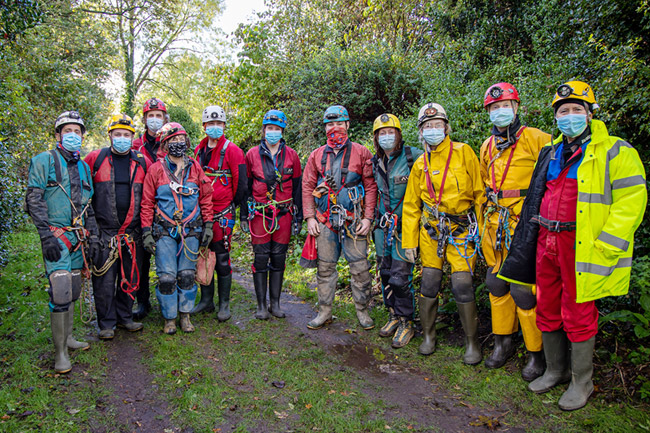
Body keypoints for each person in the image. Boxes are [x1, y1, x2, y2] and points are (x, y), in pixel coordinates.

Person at [499, 81, 647, 410]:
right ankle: (555, 370)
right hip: (545, 241)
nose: (569, 116)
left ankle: (583, 381)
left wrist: (608, 244)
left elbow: (632, 201)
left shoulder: (615, 151)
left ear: (590, 113)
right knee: (547, 305)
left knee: (578, 311)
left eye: (576, 110)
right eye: (563, 111)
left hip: (581, 245)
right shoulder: (551, 152)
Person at [401, 103, 484, 364]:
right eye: (427, 127)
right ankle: (428, 335)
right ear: (421, 132)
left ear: (446, 127)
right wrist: (409, 240)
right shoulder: (420, 164)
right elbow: (411, 205)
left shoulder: (464, 153)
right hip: (431, 232)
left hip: (461, 231)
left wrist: (484, 233)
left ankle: (472, 343)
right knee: (429, 282)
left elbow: (480, 194)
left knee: (462, 285)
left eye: (437, 125)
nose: (433, 130)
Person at [479, 83, 551, 380]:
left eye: (505, 105)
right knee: (495, 282)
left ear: (517, 107)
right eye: (494, 108)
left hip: (525, 223)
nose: (500, 111)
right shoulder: (487, 146)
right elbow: (485, 185)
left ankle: (537, 354)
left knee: (523, 289)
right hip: (496, 223)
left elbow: (552, 177)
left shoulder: (537, 138)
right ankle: (502, 342)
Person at [25, 110, 100, 373]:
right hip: (55, 236)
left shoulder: (84, 167)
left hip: (78, 237)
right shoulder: (43, 161)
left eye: (77, 132)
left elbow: (88, 205)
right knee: (60, 291)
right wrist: (45, 235)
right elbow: (34, 199)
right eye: (67, 131)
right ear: (58, 135)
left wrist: (93, 235)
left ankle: (69, 336)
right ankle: (60, 354)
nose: (73, 136)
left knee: (74, 288)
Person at [302, 105, 378, 330]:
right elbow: (307, 186)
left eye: (338, 123)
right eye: (329, 124)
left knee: (360, 268)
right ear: (324, 127)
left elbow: (371, 186)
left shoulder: (362, 153)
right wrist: (310, 218)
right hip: (325, 221)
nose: (334, 128)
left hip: (354, 221)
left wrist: (368, 218)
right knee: (325, 268)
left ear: (347, 125)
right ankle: (324, 311)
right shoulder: (316, 155)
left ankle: (362, 311)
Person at [140, 122, 214, 334]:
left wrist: (208, 225)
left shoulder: (195, 168)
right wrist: (146, 231)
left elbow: (206, 197)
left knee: (187, 275)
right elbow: (146, 203)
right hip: (165, 231)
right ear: (165, 143)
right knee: (167, 277)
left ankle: (185, 315)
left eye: (181, 139)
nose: (178, 143)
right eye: (173, 140)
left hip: (191, 230)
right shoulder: (155, 170)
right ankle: (169, 318)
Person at [85, 114, 147, 339]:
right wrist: (92, 231)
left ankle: (125, 317)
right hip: (105, 232)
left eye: (126, 135)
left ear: (132, 137)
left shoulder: (141, 161)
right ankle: (106, 323)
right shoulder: (95, 158)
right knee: (104, 279)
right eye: (118, 134)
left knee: (130, 275)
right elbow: (84, 196)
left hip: (132, 233)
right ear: (110, 135)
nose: (122, 138)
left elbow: (148, 196)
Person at [240, 110, 302, 319]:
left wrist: (299, 217)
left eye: (277, 129)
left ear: (282, 131)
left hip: (284, 214)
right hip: (260, 214)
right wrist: (243, 215)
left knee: (278, 257)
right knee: (260, 258)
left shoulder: (292, 156)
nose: (273, 132)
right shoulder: (251, 155)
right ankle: (260, 305)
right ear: (264, 130)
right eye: (269, 129)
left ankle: (275, 304)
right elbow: (246, 187)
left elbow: (297, 189)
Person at [371, 113, 423, 348]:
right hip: (383, 228)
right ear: (376, 137)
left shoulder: (414, 157)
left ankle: (406, 321)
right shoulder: (376, 161)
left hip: (405, 227)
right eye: (382, 133)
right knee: (385, 272)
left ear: (399, 134)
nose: (387, 137)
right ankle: (393, 314)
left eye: (391, 132)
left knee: (401, 277)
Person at [191, 105, 247, 321]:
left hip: (223, 213)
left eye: (219, 124)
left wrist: (231, 207)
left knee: (222, 258)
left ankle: (224, 304)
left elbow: (241, 183)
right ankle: (206, 301)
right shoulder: (198, 150)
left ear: (224, 125)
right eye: (211, 124)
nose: (215, 127)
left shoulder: (233, 151)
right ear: (204, 126)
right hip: (202, 213)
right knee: (203, 255)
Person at [132, 97, 169, 321]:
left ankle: (170, 299)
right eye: (150, 116)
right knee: (142, 259)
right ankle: (142, 301)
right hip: (140, 207)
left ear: (165, 118)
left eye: (158, 115)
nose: (154, 120)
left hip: (166, 206)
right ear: (144, 119)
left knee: (167, 256)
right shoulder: (136, 146)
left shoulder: (171, 141)